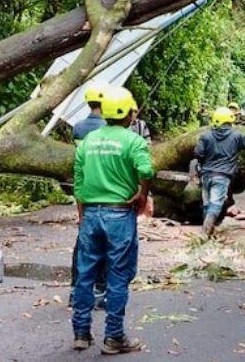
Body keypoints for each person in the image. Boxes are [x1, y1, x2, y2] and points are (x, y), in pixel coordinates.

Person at [71, 85, 155, 354]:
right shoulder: (134, 141)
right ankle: (113, 337)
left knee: (85, 274)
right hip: (119, 215)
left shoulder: (88, 142)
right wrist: (141, 194)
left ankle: (81, 333)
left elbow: (79, 184)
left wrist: (83, 216)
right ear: (130, 114)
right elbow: (146, 169)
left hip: (91, 215)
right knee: (119, 275)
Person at [193, 106, 245, 236]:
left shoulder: (205, 136)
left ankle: (209, 231)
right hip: (222, 176)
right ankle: (205, 231)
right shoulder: (236, 135)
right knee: (216, 204)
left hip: (206, 175)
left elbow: (198, 153)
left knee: (207, 203)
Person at [69, 85, 107, 308]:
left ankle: (76, 290)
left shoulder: (78, 128)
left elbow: (79, 165)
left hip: (85, 189)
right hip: (106, 191)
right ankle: (100, 289)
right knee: (106, 245)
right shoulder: (108, 129)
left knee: (83, 245)